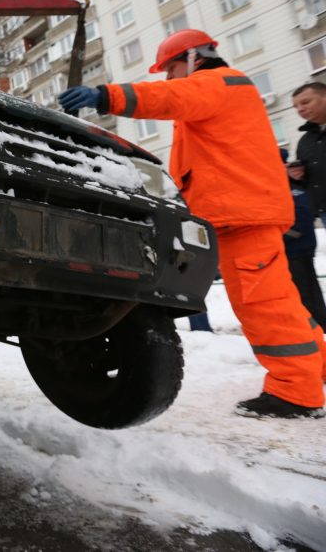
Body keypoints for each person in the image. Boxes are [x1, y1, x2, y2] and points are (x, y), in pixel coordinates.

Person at [58, 28, 326, 419]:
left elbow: (168, 97)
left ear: (195, 57)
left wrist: (105, 95)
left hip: (244, 214)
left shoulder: (218, 83)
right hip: (242, 213)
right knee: (276, 300)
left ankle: (295, 393)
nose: (168, 78)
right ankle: (312, 369)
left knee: (264, 304)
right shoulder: (220, 91)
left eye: (170, 68)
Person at [281, 147, 326, 327]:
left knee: (308, 294)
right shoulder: (290, 187)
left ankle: (318, 328)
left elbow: (301, 222)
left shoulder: (295, 189)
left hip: (297, 250)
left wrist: (278, 236)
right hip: (293, 249)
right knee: (302, 293)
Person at [288, 82, 326, 224]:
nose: (300, 109)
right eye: (296, 107)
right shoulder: (305, 140)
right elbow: (308, 182)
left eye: (305, 102)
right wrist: (296, 177)